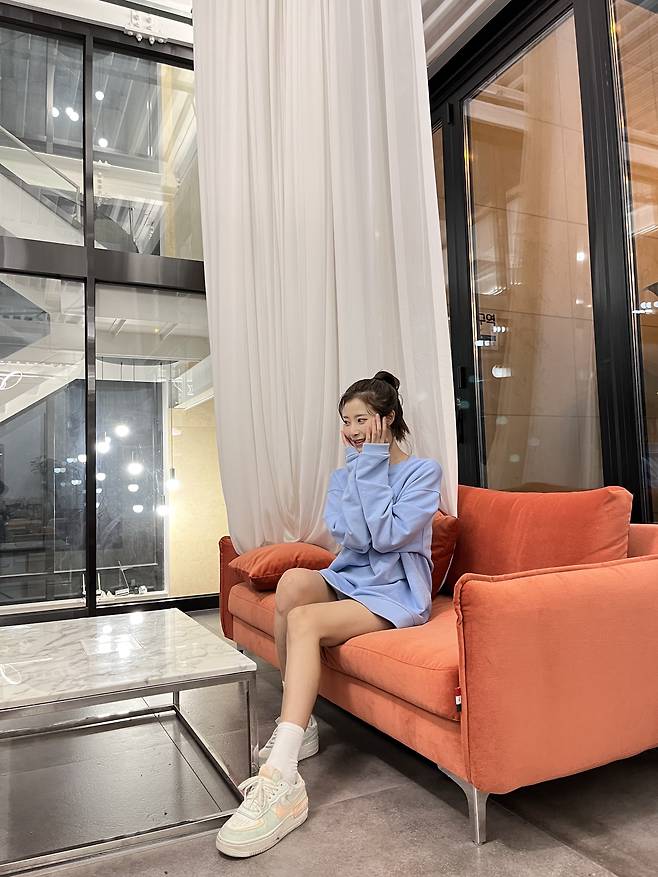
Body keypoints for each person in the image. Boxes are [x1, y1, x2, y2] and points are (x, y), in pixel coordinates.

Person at [216, 371, 442, 858]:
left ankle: (282, 774)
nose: (352, 430)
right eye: (346, 421)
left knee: (305, 620)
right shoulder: (346, 474)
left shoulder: (423, 472)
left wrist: (372, 465)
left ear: (388, 419)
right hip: (353, 577)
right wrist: (362, 471)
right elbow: (352, 538)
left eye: (361, 420)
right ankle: (301, 727)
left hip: (396, 591)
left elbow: (389, 539)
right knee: (292, 583)